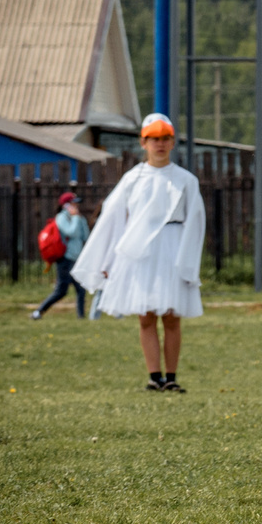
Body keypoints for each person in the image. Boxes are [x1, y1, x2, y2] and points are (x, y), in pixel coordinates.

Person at [72, 114, 206, 388]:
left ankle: (171, 377)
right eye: (154, 139)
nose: (160, 144)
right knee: (146, 316)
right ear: (143, 142)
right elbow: (114, 220)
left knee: (171, 315)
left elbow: (196, 220)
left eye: (165, 139)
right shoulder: (133, 179)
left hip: (172, 248)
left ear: (172, 142)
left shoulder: (185, 180)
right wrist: (109, 259)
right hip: (141, 253)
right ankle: (154, 377)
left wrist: (189, 260)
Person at [32, 189, 89, 320]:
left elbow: (85, 235)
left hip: (76, 258)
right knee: (61, 291)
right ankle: (38, 312)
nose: (76, 206)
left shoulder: (77, 217)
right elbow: (71, 232)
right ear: (66, 205)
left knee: (81, 289)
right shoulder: (61, 217)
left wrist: (81, 220)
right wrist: (75, 218)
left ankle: (81, 318)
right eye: (73, 203)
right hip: (65, 259)